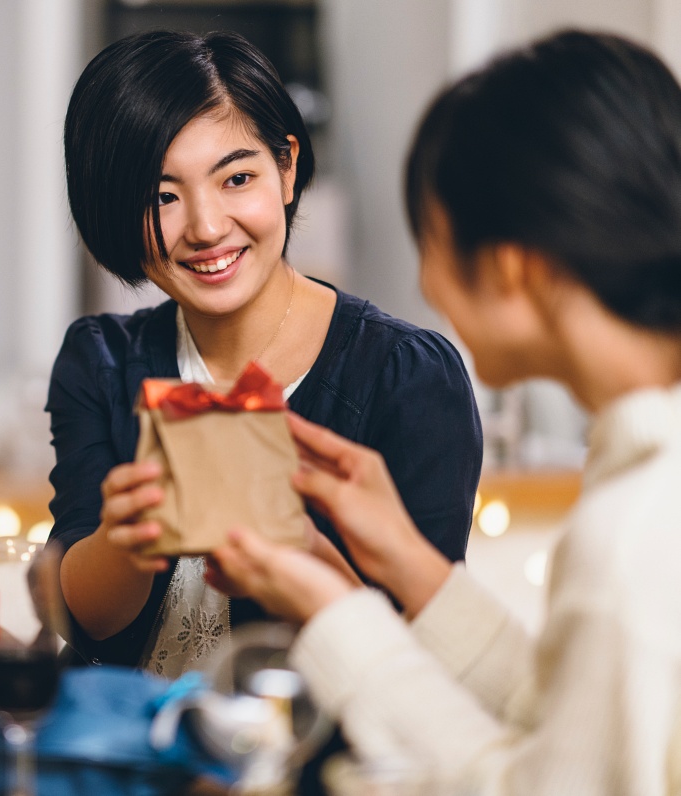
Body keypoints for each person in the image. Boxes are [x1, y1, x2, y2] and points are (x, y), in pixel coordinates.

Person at [207, 29, 681, 794]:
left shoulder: (632, 534)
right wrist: (408, 561)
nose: (426, 284)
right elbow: (586, 729)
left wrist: (332, 613)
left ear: (511, 268)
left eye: (429, 239)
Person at [39, 29, 482, 677]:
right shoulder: (101, 360)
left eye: (237, 178)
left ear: (288, 168)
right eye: (162, 196)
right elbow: (83, 622)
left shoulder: (408, 377)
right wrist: (124, 541)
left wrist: (303, 554)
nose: (207, 227)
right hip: (121, 732)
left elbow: (424, 663)